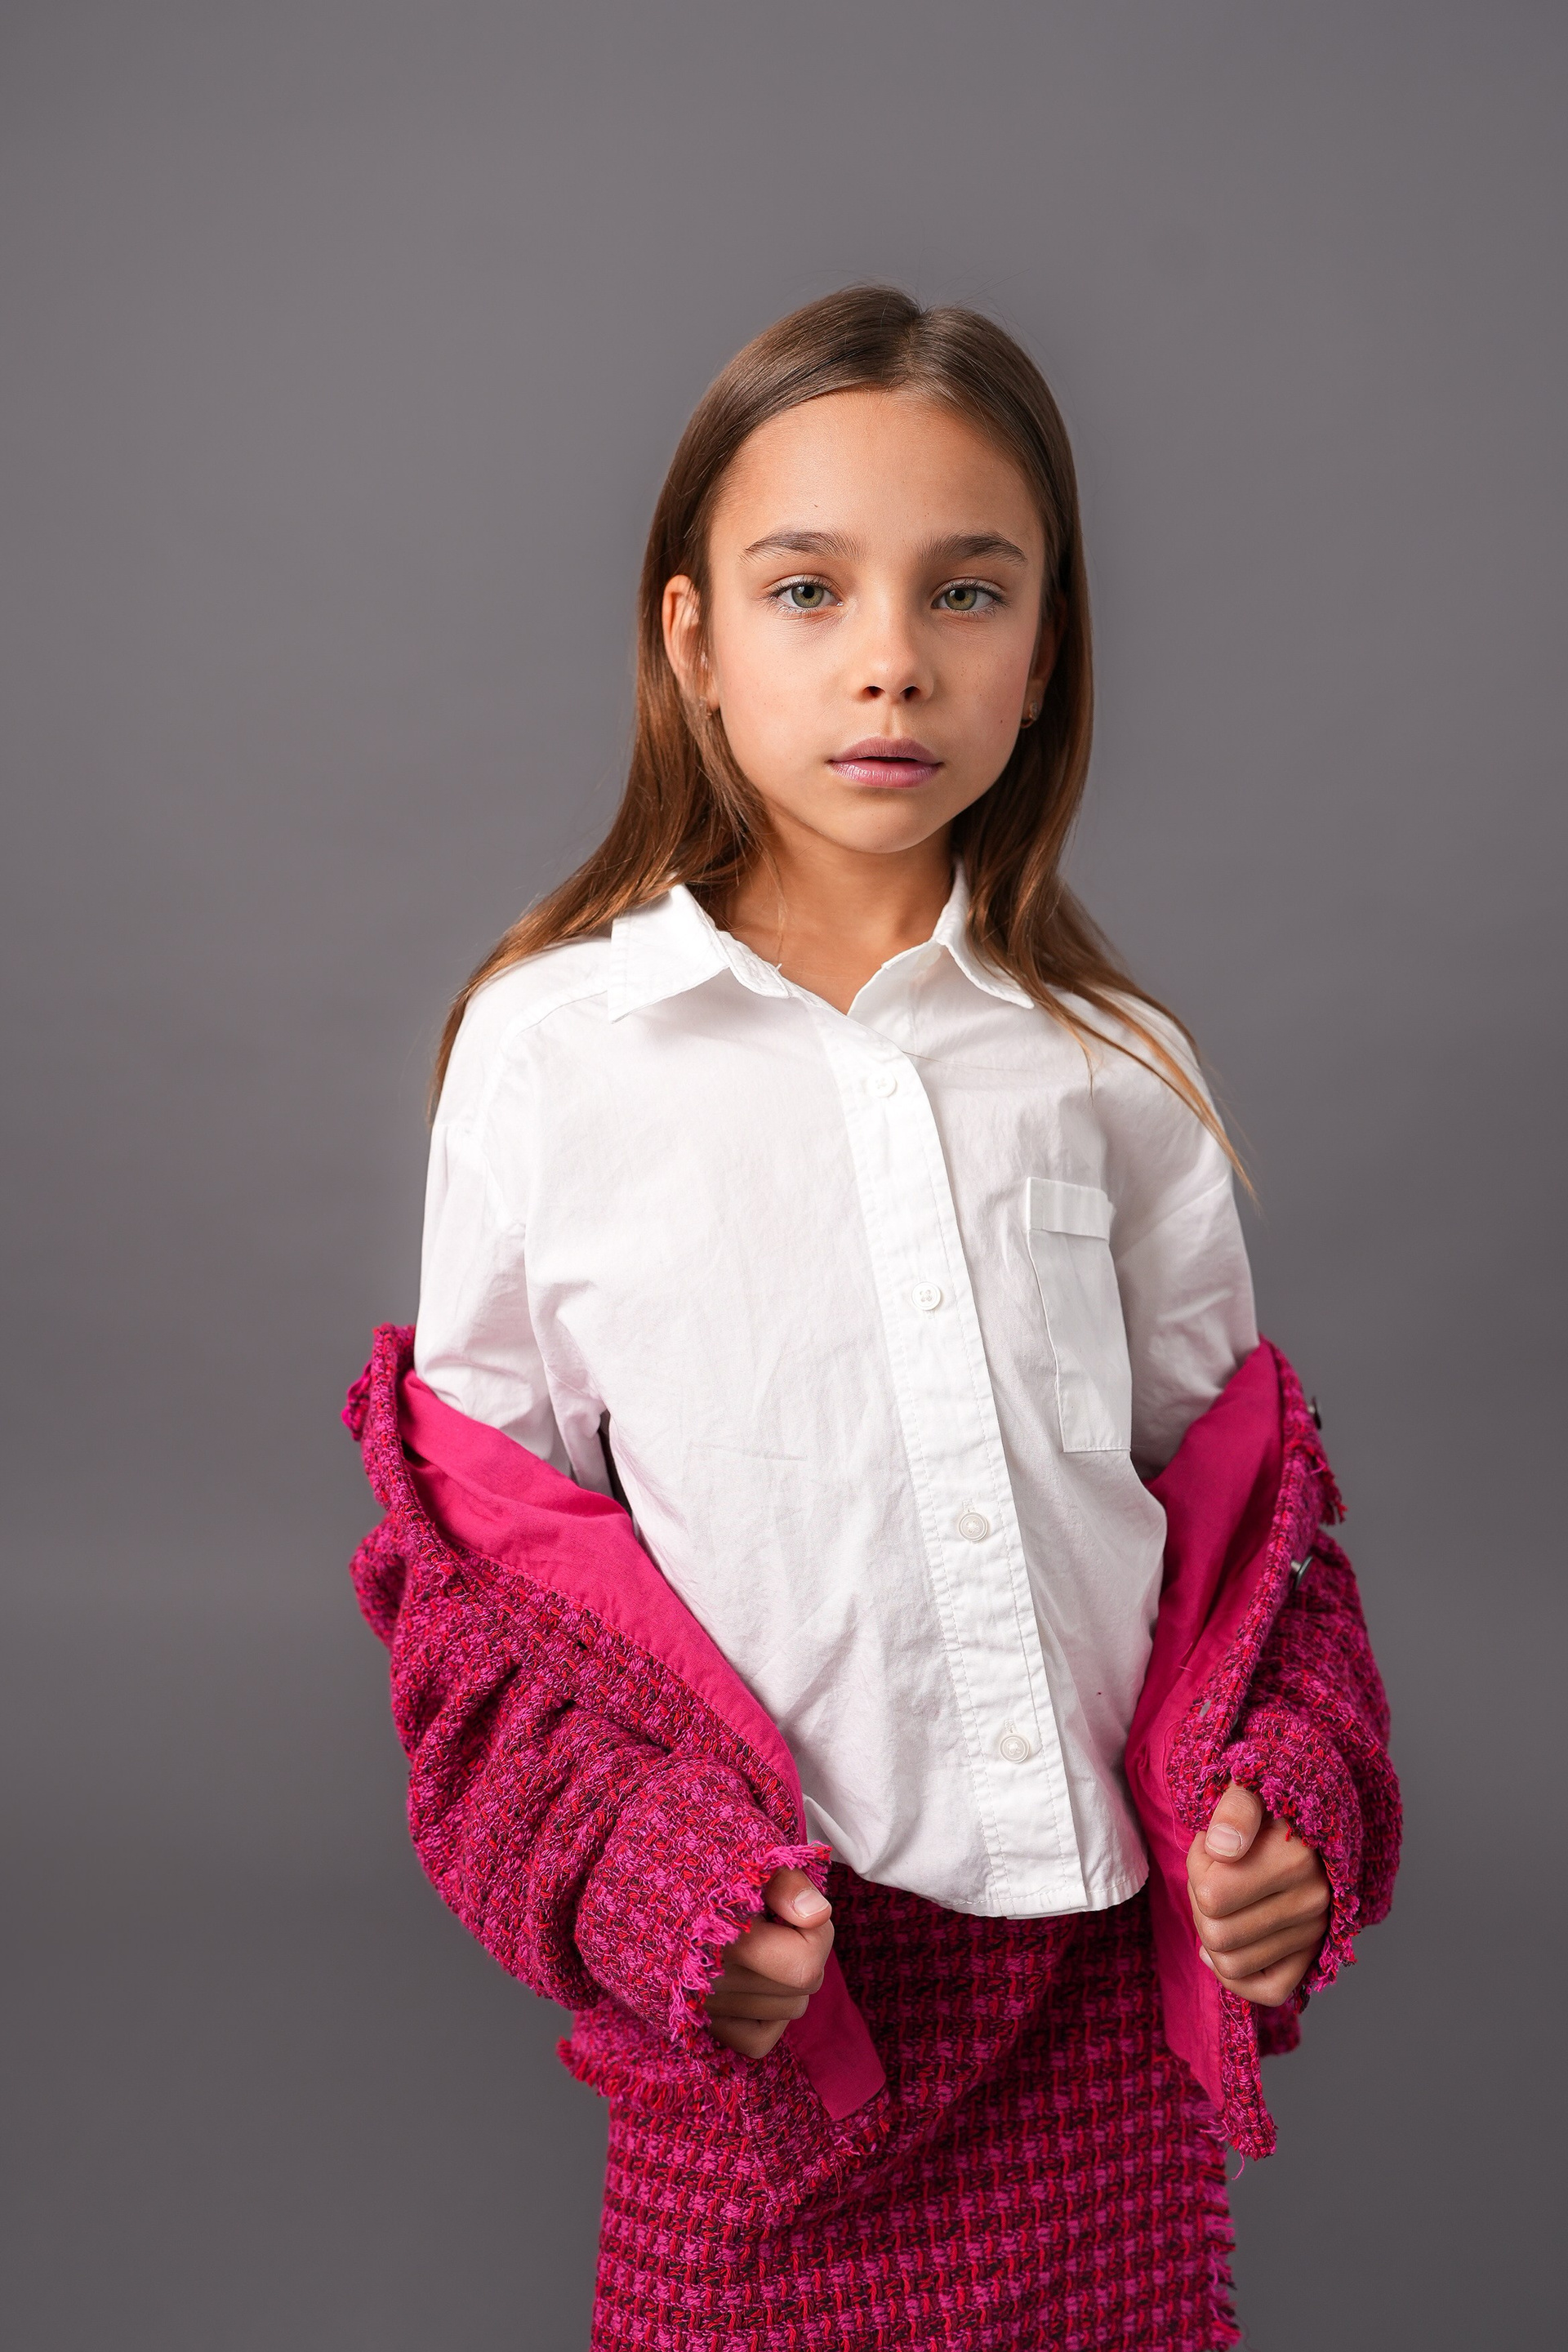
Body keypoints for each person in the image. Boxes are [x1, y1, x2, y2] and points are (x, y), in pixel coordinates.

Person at [345, 287, 1399, 2350]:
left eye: (968, 590)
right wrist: (648, 1881)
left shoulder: (1117, 1071)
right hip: (775, 2013)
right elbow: (478, 1589)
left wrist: (1288, 1802)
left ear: (1047, 648)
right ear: (693, 643)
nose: (893, 657)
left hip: (1098, 2031)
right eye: (808, 589)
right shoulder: (553, 1056)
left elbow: (1252, 1549)